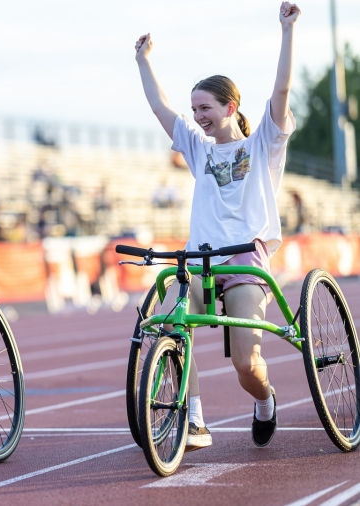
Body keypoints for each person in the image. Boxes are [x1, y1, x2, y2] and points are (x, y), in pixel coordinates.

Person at [134, 2, 300, 451]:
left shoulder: (263, 143)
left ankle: (265, 402)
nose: (198, 116)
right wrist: (143, 61)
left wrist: (287, 32)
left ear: (230, 107)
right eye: (194, 108)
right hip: (200, 257)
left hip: (247, 257)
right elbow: (159, 107)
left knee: (247, 365)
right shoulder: (197, 148)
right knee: (173, 323)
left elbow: (281, 92)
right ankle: (195, 422)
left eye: (205, 107)